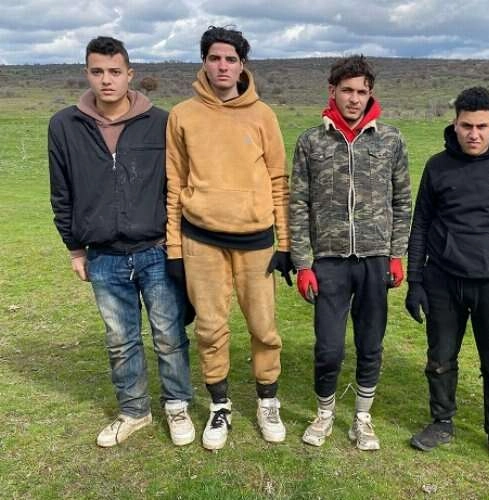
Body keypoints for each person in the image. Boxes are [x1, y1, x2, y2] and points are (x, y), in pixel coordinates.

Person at [48, 36, 194, 448]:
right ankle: (134, 411)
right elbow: (61, 191)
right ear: (86, 74)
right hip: (103, 255)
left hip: (156, 249)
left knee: (169, 335)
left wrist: (177, 245)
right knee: (120, 340)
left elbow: (176, 186)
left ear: (130, 74)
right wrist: (75, 248)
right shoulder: (64, 125)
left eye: (115, 72)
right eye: (97, 72)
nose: (106, 80)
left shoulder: (161, 121)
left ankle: (177, 405)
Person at [165, 26, 293, 450]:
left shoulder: (263, 115)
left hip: (256, 241)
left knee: (264, 327)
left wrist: (285, 244)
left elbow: (278, 181)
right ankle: (220, 406)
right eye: (215, 58)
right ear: (204, 62)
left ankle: (267, 401)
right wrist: (174, 248)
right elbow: (174, 183)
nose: (223, 66)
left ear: (242, 65)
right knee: (209, 328)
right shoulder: (182, 115)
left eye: (231, 59)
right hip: (200, 240)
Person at [405, 87, 489, 468]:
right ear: (455, 124)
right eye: (467, 126)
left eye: (482, 126)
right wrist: (415, 282)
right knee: (440, 358)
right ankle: (441, 422)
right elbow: (421, 225)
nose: (474, 134)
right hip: (443, 279)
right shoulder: (438, 167)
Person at [289, 55, 411, 451]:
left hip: (376, 259)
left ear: (370, 94)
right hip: (329, 261)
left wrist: (396, 254)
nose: (354, 99)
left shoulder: (391, 139)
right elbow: (298, 204)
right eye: (347, 91)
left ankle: (362, 418)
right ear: (332, 91)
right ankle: (324, 413)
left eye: (361, 91)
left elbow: (402, 201)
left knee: (370, 344)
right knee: (328, 347)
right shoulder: (311, 141)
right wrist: (303, 263)